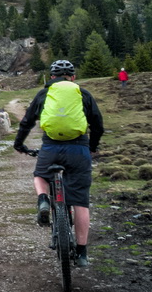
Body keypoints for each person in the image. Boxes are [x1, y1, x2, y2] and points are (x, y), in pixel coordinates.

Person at [13, 60, 104, 267]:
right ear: (73, 77)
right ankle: (81, 253)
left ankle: (43, 200)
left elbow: (27, 122)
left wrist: (19, 144)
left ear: (52, 77)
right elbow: (97, 125)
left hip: (51, 148)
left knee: (40, 175)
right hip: (78, 149)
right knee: (81, 201)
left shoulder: (44, 94)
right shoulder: (83, 94)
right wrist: (92, 147)